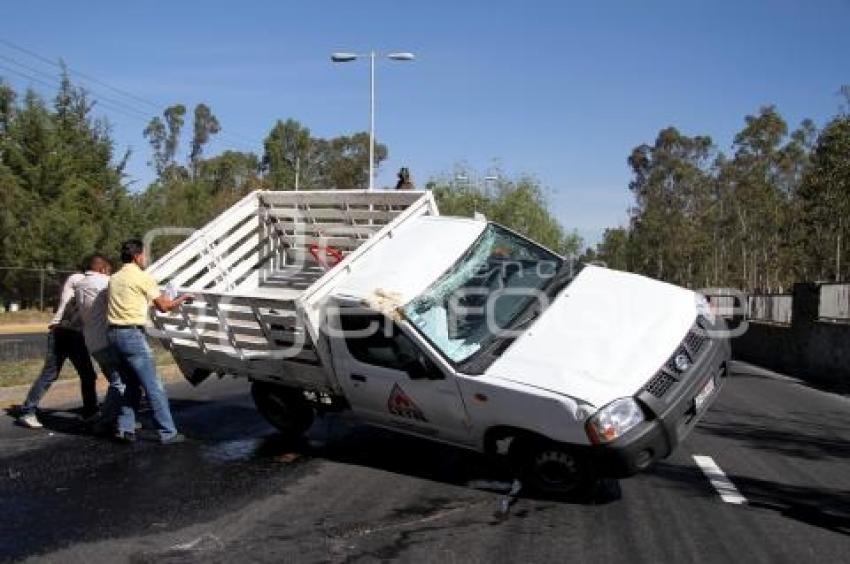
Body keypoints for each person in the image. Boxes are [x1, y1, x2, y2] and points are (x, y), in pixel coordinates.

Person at [107, 239, 192, 444]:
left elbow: (134, 302)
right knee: (154, 386)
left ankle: (125, 428)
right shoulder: (143, 278)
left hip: (113, 334)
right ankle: (167, 433)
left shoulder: (115, 278)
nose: (146, 259)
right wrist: (182, 299)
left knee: (130, 384)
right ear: (137, 256)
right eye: (144, 255)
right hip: (132, 335)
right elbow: (163, 306)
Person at [17, 261, 100, 428]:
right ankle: (27, 411)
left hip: (74, 334)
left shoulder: (87, 282)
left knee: (88, 374)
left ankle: (90, 412)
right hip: (63, 331)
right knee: (50, 373)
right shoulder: (78, 278)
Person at [74, 254, 132, 433]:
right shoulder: (105, 282)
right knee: (119, 382)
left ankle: (117, 418)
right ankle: (106, 421)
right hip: (106, 340)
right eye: (109, 270)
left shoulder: (81, 284)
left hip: (91, 341)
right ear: (103, 269)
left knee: (116, 380)